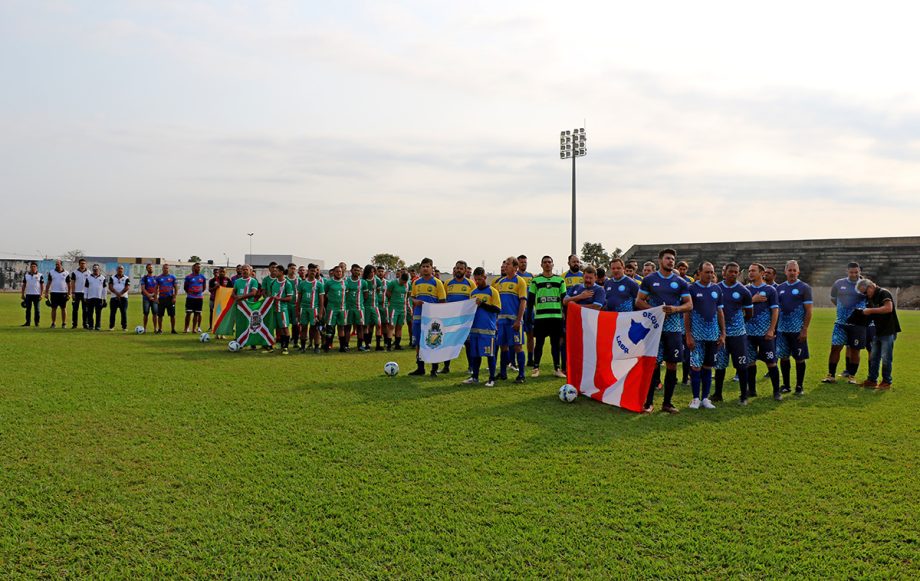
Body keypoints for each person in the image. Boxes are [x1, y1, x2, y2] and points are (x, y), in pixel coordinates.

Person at [635, 248, 693, 414]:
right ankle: (648, 402)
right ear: (660, 261)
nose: (671, 261)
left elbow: (689, 305)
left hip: (674, 329)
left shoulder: (680, 282)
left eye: (673, 259)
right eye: (668, 258)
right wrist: (656, 310)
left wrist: (674, 309)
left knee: (672, 364)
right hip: (654, 327)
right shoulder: (649, 280)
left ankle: (667, 403)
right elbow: (639, 301)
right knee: (653, 363)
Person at [683, 262, 724, 409]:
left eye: (712, 272)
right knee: (695, 367)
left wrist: (723, 333)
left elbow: (720, 312)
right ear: (699, 273)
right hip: (696, 336)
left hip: (713, 336)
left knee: (708, 367)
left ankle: (705, 398)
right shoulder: (691, 289)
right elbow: (687, 313)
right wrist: (688, 334)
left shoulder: (717, 289)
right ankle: (695, 398)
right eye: (707, 272)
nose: (710, 275)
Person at [712, 262, 753, 403]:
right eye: (731, 272)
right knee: (720, 365)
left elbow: (749, 313)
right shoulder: (716, 289)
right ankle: (718, 394)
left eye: (736, 272)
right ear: (724, 273)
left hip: (738, 334)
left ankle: (743, 395)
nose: (734, 274)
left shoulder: (744, 291)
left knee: (741, 365)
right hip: (720, 334)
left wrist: (738, 324)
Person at [824, 262, 867, 384]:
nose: (854, 274)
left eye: (856, 272)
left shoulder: (865, 284)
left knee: (855, 350)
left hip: (857, 325)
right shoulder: (839, 283)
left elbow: (870, 299)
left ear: (860, 272)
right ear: (847, 271)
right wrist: (842, 308)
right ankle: (831, 375)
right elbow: (833, 298)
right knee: (835, 347)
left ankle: (852, 376)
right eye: (851, 272)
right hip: (840, 323)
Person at [745, 263, 782, 399]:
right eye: (749, 271)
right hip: (748, 333)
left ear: (762, 273)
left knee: (771, 362)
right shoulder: (746, 290)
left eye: (753, 271)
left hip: (765, 333)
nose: (750, 273)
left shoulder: (770, 290)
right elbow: (739, 309)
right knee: (750, 362)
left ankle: (776, 391)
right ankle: (752, 390)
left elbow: (775, 310)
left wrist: (771, 329)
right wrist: (752, 300)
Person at [776, 260, 813, 395]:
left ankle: (799, 386)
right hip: (782, 330)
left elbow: (809, 311)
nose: (792, 273)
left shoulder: (804, 287)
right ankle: (786, 385)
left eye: (794, 270)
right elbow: (776, 310)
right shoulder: (779, 288)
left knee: (799, 358)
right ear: (785, 272)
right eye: (789, 270)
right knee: (784, 357)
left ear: (798, 272)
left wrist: (805, 329)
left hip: (797, 330)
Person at [528, 256, 567, 378]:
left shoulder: (560, 280)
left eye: (549, 262)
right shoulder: (535, 281)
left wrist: (564, 314)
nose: (547, 264)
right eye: (545, 262)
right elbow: (530, 301)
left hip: (556, 317)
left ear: (553, 264)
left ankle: (557, 368)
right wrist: (529, 316)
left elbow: (564, 299)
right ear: (541, 265)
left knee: (555, 344)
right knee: (539, 343)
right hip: (541, 318)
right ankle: (535, 368)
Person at [857, 278, 900, 389]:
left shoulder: (883, 293)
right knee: (874, 357)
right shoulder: (871, 297)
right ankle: (872, 380)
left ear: (871, 287)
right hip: (878, 331)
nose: (866, 295)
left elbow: (888, 308)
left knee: (886, 358)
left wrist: (870, 311)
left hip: (888, 331)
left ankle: (886, 382)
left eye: (865, 292)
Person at [463, 267, 502, 387]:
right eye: (476, 279)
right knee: (475, 355)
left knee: (490, 355)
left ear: (485, 277)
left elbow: (497, 309)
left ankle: (491, 378)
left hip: (488, 329)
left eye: (480, 279)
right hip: (475, 329)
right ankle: (475, 377)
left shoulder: (492, 291)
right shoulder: (473, 293)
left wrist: (482, 304)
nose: (478, 281)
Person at [408, 258, 446, 376]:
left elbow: (442, 300)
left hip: (432, 318)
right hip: (419, 316)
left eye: (427, 266)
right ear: (420, 268)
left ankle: (434, 368)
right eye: (423, 266)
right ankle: (420, 368)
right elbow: (412, 297)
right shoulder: (416, 282)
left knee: (432, 341)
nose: (425, 268)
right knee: (419, 342)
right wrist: (415, 302)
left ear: (432, 268)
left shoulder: (437, 282)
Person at [493, 256, 528, 384]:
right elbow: (497, 303)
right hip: (501, 321)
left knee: (518, 347)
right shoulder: (500, 283)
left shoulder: (520, 281)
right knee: (503, 347)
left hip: (514, 321)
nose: (505, 266)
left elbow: (523, 302)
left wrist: (518, 321)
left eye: (508, 264)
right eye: (505, 264)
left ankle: (522, 375)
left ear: (515, 267)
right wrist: (496, 320)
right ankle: (503, 373)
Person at [444, 260, 474, 374]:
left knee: (468, 343)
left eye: (461, 268)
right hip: (451, 319)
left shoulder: (470, 284)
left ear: (465, 270)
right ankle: (446, 367)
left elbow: (473, 300)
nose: (458, 270)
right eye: (457, 268)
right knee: (449, 342)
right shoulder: (447, 283)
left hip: (465, 320)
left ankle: (471, 366)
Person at [296, 264, 325, 353]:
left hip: (314, 309)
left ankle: (316, 347)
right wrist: (297, 311)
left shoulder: (319, 284)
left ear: (317, 272)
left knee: (315, 328)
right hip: (303, 309)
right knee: (303, 327)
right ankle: (303, 346)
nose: (313, 272)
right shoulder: (302, 283)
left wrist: (320, 313)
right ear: (308, 271)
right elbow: (299, 298)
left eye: (315, 271)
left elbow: (321, 301)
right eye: (311, 270)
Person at [266, 264, 294, 354]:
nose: (275, 272)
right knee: (275, 327)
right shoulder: (273, 282)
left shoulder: (287, 283)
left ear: (281, 272)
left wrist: (280, 299)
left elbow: (290, 298)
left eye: (276, 271)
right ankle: (273, 345)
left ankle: (285, 347)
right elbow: (270, 294)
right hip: (273, 309)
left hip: (282, 309)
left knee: (285, 327)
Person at [323, 265, 348, 352]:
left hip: (342, 309)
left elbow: (347, 295)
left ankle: (342, 347)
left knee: (341, 327)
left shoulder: (345, 283)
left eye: (340, 271)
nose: (339, 273)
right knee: (330, 327)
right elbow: (324, 294)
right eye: (337, 271)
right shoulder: (329, 283)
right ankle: (327, 346)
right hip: (332, 309)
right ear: (333, 272)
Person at [517, 255, 536, 367]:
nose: (523, 264)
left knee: (530, 334)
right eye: (521, 262)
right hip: (518, 310)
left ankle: (530, 359)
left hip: (529, 310)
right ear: (517, 264)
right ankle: (514, 361)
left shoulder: (530, 277)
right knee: (517, 336)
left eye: (525, 262)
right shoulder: (515, 277)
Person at [344, 264, 367, 352]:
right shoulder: (346, 281)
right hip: (348, 308)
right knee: (347, 327)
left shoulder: (363, 282)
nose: (357, 272)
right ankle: (346, 345)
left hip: (359, 308)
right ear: (351, 271)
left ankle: (360, 345)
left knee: (360, 327)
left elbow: (365, 295)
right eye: (355, 270)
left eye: (358, 270)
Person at [386, 271, 411, 351]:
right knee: (391, 326)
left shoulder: (408, 285)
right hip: (394, 308)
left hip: (402, 308)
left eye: (405, 282)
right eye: (402, 281)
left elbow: (408, 295)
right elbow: (388, 293)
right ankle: (389, 345)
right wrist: (392, 301)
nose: (403, 283)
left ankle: (397, 344)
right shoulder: (393, 283)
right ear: (400, 278)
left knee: (399, 327)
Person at [360, 265, 380, 353]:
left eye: (373, 272)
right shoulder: (363, 281)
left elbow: (378, 291)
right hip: (366, 307)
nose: (372, 274)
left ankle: (378, 345)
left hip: (375, 306)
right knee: (366, 326)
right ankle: (367, 344)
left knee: (378, 324)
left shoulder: (377, 281)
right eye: (370, 272)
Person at [45, 259, 70, 328]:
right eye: (56, 264)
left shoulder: (66, 273)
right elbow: (48, 283)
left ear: (61, 264)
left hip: (63, 293)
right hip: (54, 293)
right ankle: (53, 323)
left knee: (63, 308)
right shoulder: (51, 272)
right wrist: (46, 292)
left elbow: (69, 284)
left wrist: (69, 293)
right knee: (53, 308)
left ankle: (64, 323)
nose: (57, 265)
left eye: (58, 264)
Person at [183, 262, 207, 334]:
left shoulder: (202, 277)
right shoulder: (188, 277)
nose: (198, 268)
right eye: (197, 267)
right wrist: (191, 293)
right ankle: (186, 328)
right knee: (188, 313)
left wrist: (198, 292)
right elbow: (185, 287)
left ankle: (194, 329)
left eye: (199, 267)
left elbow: (204, 287)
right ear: (193, 268)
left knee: (197, 314)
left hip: (199, 298)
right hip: (190, 298)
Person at [155, 264, 178, 335]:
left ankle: (173, 329)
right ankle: (160, 329)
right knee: (160, 315)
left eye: (167, 268)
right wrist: (156, 297)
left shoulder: (172, 277)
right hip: (161, 298)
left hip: (170, 298)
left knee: (172, 315)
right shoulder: (158, 278)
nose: (165, 269)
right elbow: (155, 288)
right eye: (164, 268)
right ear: (162, 269)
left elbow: (176, 288)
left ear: (168, 269)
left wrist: (174, 297)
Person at [84, 263, 107, 331]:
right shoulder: (88, 278)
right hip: (90, 298)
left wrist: (104, 299)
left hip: (99, 298)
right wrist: (85, 297)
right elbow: (86, 288)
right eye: (94, 269)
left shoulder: (103, 278)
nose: (95, 270)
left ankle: (98, 326)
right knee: (90, 313)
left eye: (97, 269)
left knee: (98, 313)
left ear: (99, 269)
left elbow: (104, 289)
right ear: (92, 269)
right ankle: (91, 326)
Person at [69, 258, 90, 329]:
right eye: (81, 263)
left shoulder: (89, 273)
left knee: (85, 310)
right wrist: (73, 293)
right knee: (75, 309)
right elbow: (72, 283)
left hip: (85, 293)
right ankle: (74, 324)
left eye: (84, 263)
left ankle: (85, 324)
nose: (83, 264)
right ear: (79, 264)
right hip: (77, 293)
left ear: (86, 264)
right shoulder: (74, 272)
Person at [207, 267, 231, 331]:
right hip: (213, 299)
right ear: (218, 272)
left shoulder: (228, 280)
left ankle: (222, 327)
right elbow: (210, 290)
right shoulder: (212, 280)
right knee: (212, 313)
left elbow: (231, 290)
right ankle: (211, 327)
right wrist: (215, 287)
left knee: (223, 314)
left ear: (225, 272)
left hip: (224, 300)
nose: (222, 273)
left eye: (223, 272)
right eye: (220, 272)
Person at [107, 265, 130, 331]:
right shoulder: (112, 277)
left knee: (123, 312)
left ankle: (124, 327)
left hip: (123, 298)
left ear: (123, 270)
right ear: (117, 270)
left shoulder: (126, 278)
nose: (120, 270)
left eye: (121, 269)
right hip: (114, 297)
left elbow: (127, 287)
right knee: (113, 313)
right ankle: (111, 327)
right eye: (119, 269)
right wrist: (117, 293)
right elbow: (110, 287)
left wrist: (120, 293)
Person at [20, 262, 43, 327]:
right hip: (28, 295)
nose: (33, 268)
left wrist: (41, 294)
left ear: (36, 267)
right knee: (28, 309)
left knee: (37, 310)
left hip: (37, 295)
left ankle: (37, 323)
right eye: (32, 266)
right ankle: (28, 322)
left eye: (34, 266)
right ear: (30, 267)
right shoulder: (26, 275)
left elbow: (42, 286)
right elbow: (24, 285)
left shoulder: (40, 275)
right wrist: (22, 294)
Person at [139, 263, 159, 332]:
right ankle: (144, 328)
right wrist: (149, 296)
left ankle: (155, 328)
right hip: (146, 298)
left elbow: (157, 288)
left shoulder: (156, 278)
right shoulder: (144, 278)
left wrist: (154, 295)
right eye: (149, 267)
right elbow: (143, 289)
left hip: (154, 298)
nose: (150, 268)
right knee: (146, 313)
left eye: (151, 267)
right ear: (146, 269)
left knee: (155, 313)